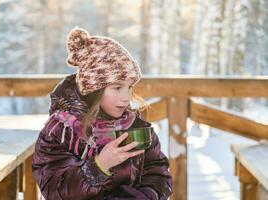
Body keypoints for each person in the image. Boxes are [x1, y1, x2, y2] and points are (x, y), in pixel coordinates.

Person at [32, 27, 172, 200]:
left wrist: (146, 196)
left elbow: (158, 171)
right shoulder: (62, 130)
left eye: (129, 87)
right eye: (117, 87)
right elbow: (54, 190)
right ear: (94, 89)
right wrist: (99, 167)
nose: (126, 97)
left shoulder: (134, 126)